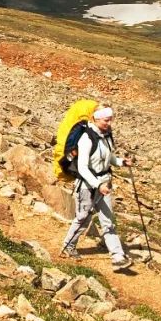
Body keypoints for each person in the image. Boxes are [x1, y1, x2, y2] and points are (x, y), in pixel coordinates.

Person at [60, 106, 134, 271]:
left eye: (110, 119)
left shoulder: (106, 136)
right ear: (96, 119)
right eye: (106, 120)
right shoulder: (86, 139)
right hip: (88, 186)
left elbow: (108, 157)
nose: (109, 123)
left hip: (104, 184)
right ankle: (68, 246)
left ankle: (117, 257)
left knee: (108, 221)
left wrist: (121, 162)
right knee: (83, 218)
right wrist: (97, 184)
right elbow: (83, 167)